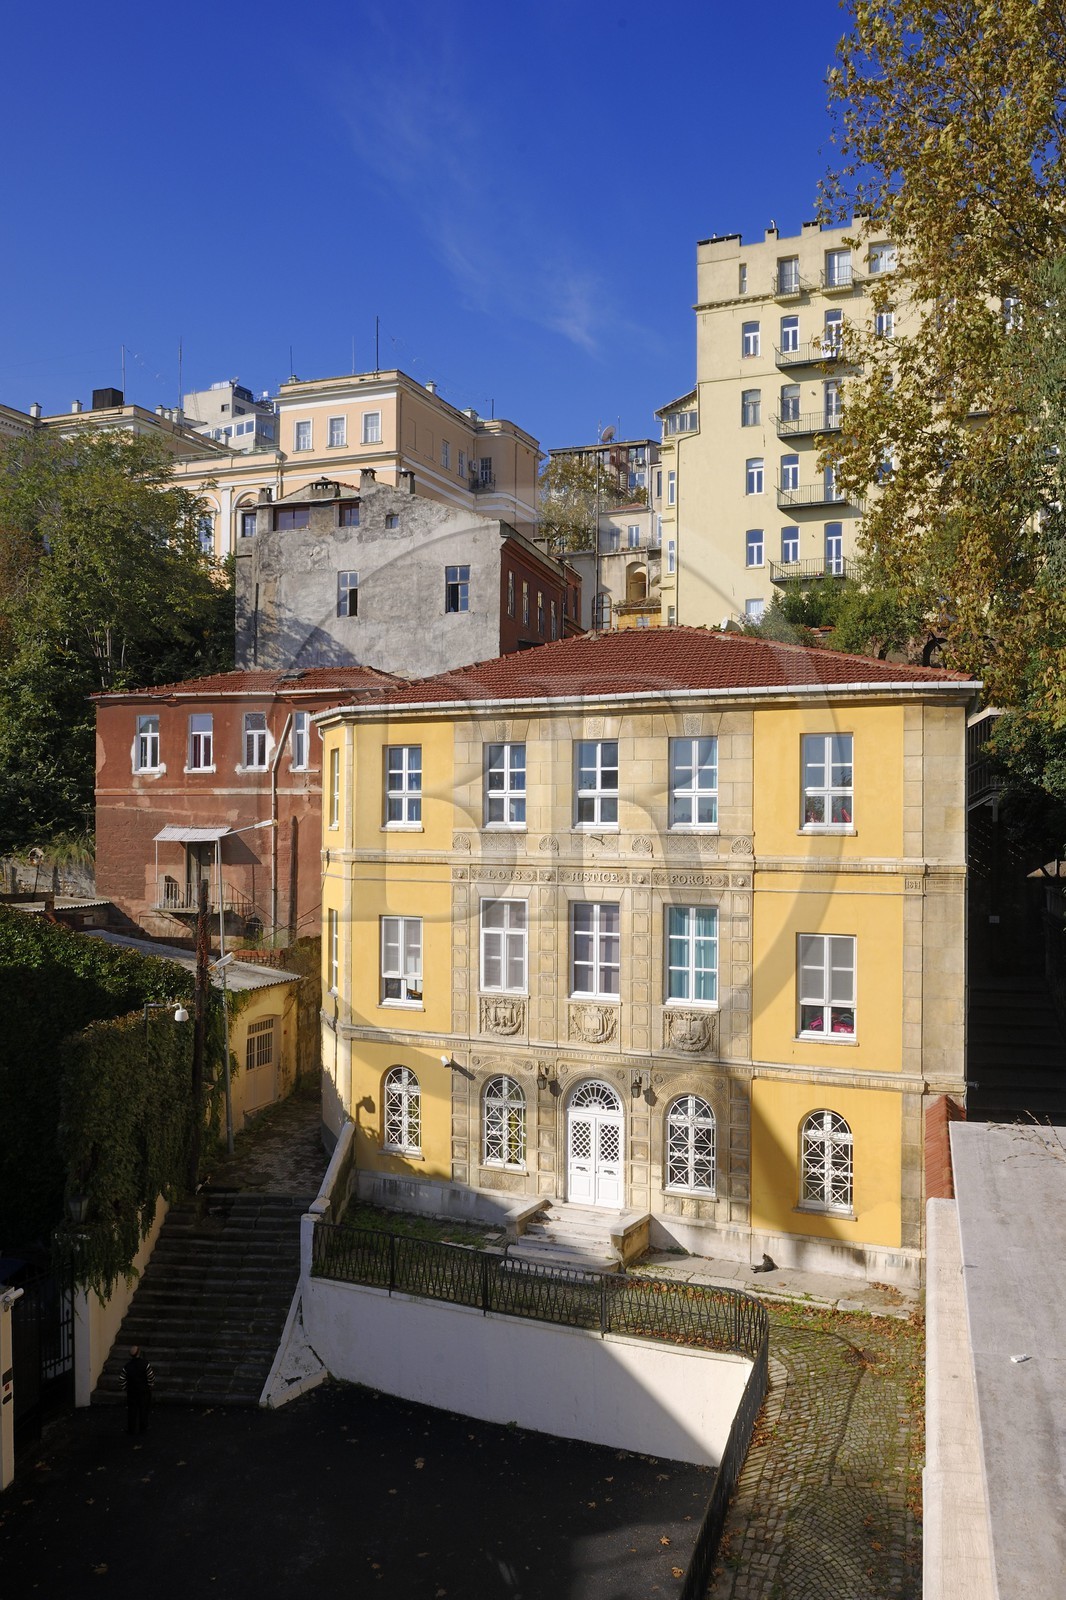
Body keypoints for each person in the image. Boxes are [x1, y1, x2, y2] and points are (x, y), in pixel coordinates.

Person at [121, 1345, 154, 1436]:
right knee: (143, 1410)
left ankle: (131, 1429)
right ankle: (143, 1428)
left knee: (132, 1411)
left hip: (132, 1392)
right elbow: (150, 1377)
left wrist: (126, 1388)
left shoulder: (127, 1366)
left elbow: (122, 1379)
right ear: (139, 1352)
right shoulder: (145, 1364)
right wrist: (150, 1386)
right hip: (144, 1391)